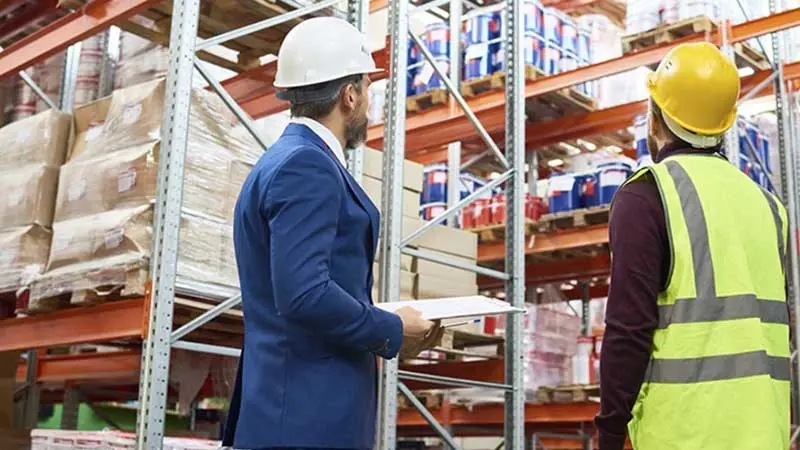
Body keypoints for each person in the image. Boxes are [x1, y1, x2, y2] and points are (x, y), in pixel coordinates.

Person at [223, 17, 442, 450]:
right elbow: (304, 293)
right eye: (367, 89)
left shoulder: (281, 162)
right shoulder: (307, 167)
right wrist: (392, 327)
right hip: (306, 418)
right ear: (350, 95)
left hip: (292, 410)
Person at [596, 42, 790, 450]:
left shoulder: (648, 196)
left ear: (656, 115)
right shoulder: (769, 206)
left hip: (685, 435)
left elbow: (628, 329)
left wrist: (610, 431)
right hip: (764, 433)